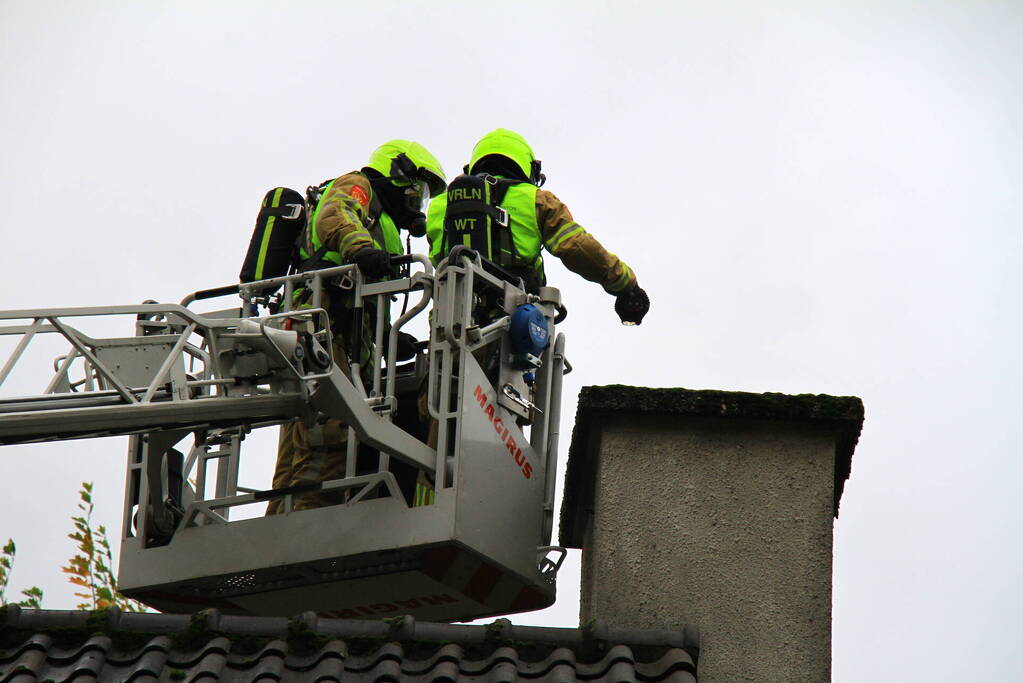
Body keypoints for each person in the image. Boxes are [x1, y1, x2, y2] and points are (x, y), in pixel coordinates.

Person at [266, 140, 446, 514]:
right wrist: (362, 249)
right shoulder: (358, 186)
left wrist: (389, 339)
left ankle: (278, 531)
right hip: (317, 327)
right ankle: (304, 535)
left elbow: (364, 297)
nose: (419, 202)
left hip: (331, 335)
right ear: (400, 174)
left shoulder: (382, 222)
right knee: (329, 437)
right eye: (421, 189)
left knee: (298, 451)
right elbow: (334, 216)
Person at [425, 127, 649, 323]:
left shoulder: (438, 205)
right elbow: (577, 247)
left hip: (449, 324)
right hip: (512, 320)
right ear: (528, 168)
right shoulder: (537, 199)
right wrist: (625, 283)